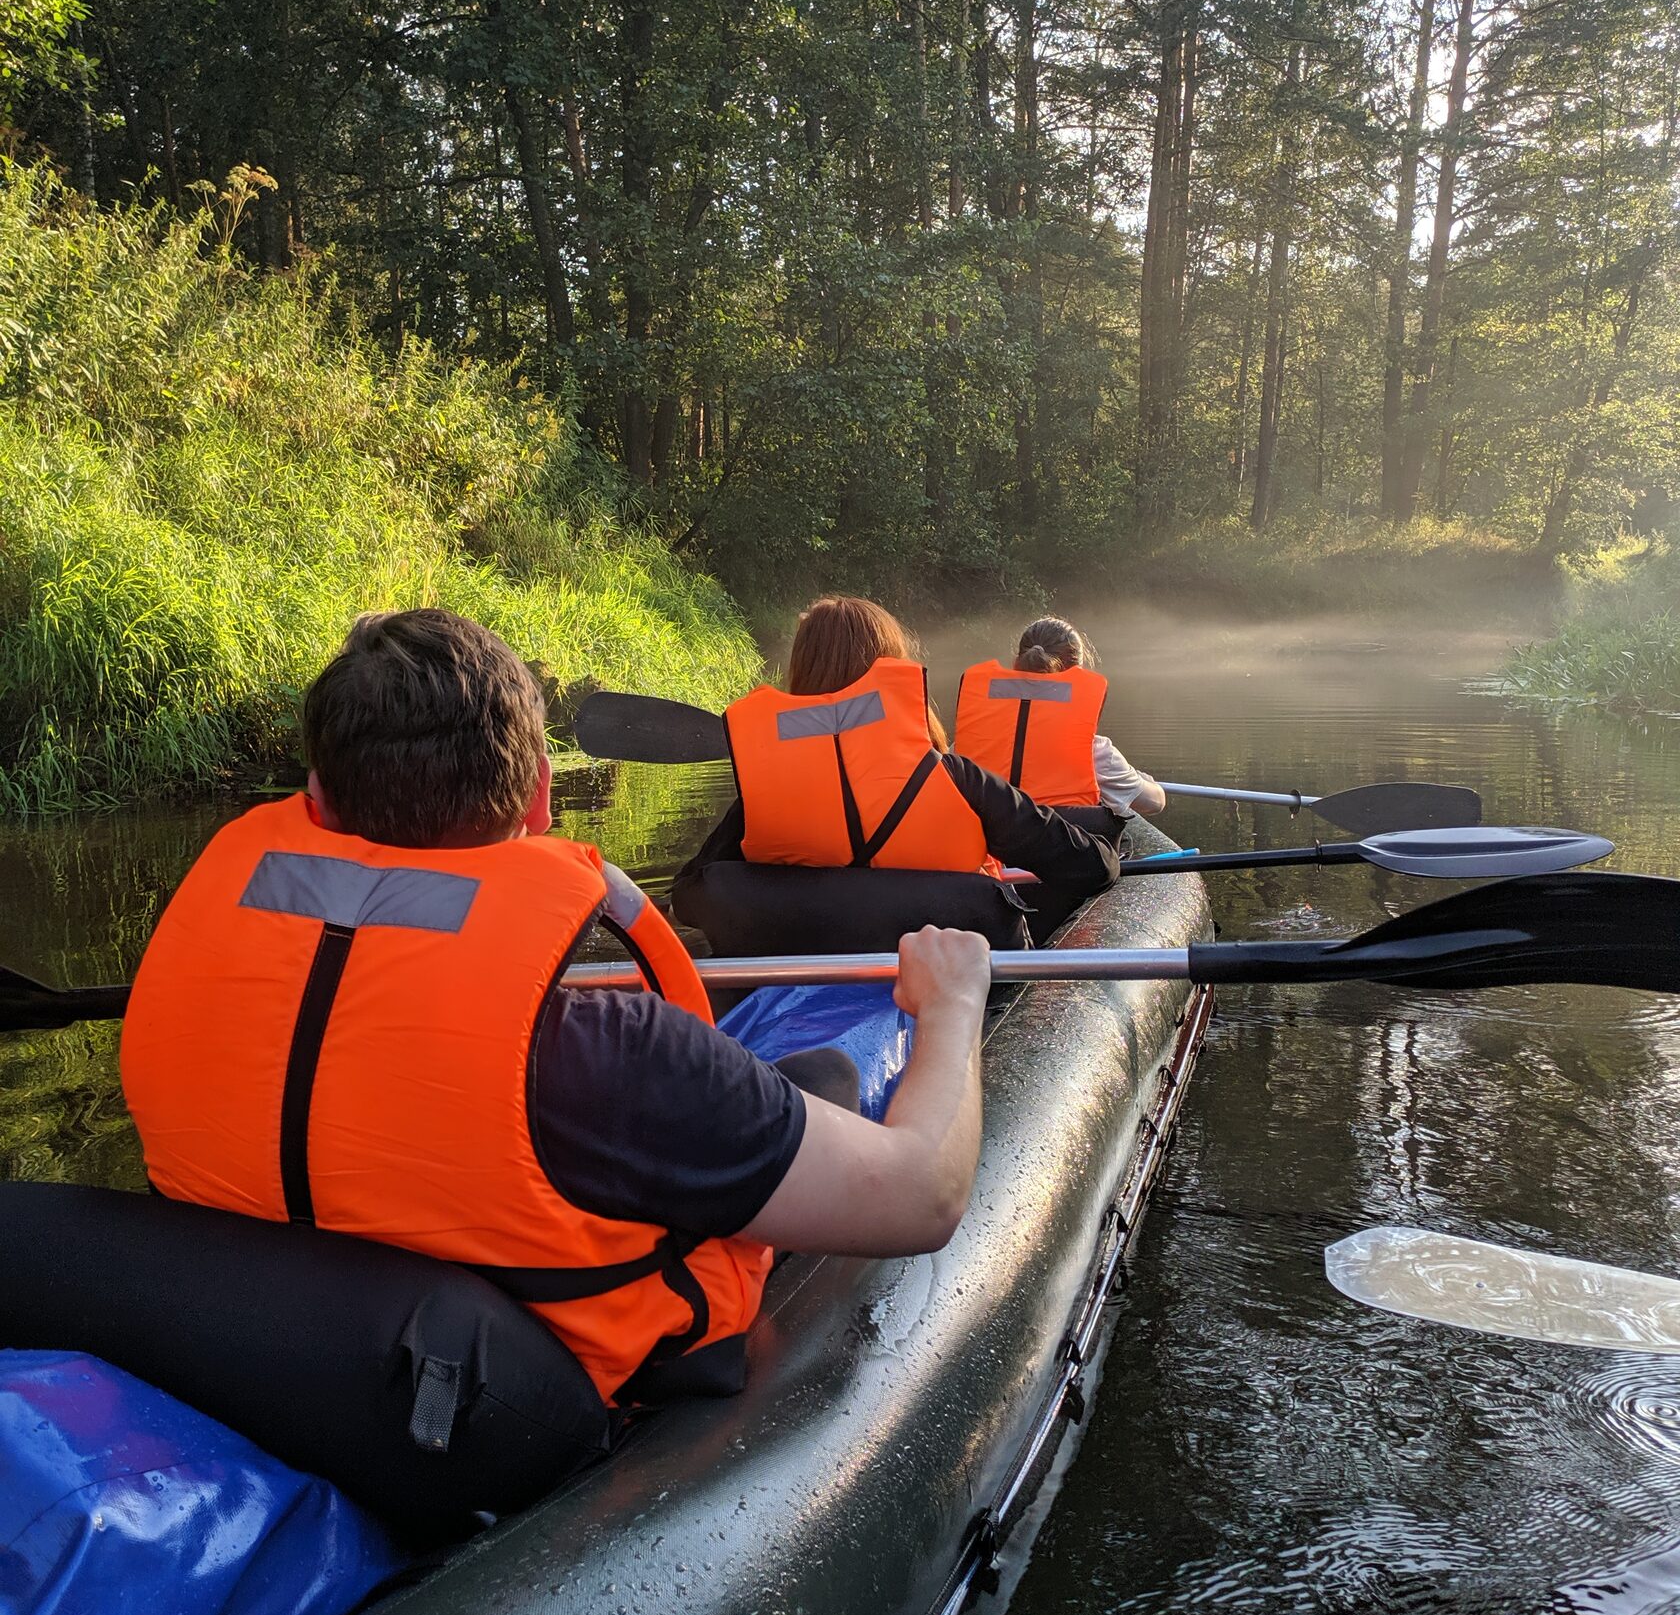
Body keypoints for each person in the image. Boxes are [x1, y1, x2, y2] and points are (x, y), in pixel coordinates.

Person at [119, 608, 994, 1412]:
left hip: (255, 1337)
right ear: (540, 794)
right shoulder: (606, 1055)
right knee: (830, 1074)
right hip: (508, 1406)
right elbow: (922, 1198)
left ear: (317, 796)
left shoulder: (192, 977)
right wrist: (952, 1002)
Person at [672, 596, 1124, 943]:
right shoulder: (954, 778)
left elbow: (687, 900)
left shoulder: (762, 796)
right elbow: (1094, 867)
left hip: (802, 974)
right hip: (944, 976)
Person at [954, 616, 1166, 827]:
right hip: (1059, 856)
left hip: (984, 857)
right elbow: (1155, 802)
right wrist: (1145, 781)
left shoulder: (967, 743)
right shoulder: (1095, 752)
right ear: (1078, 672)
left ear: (1016, 663)